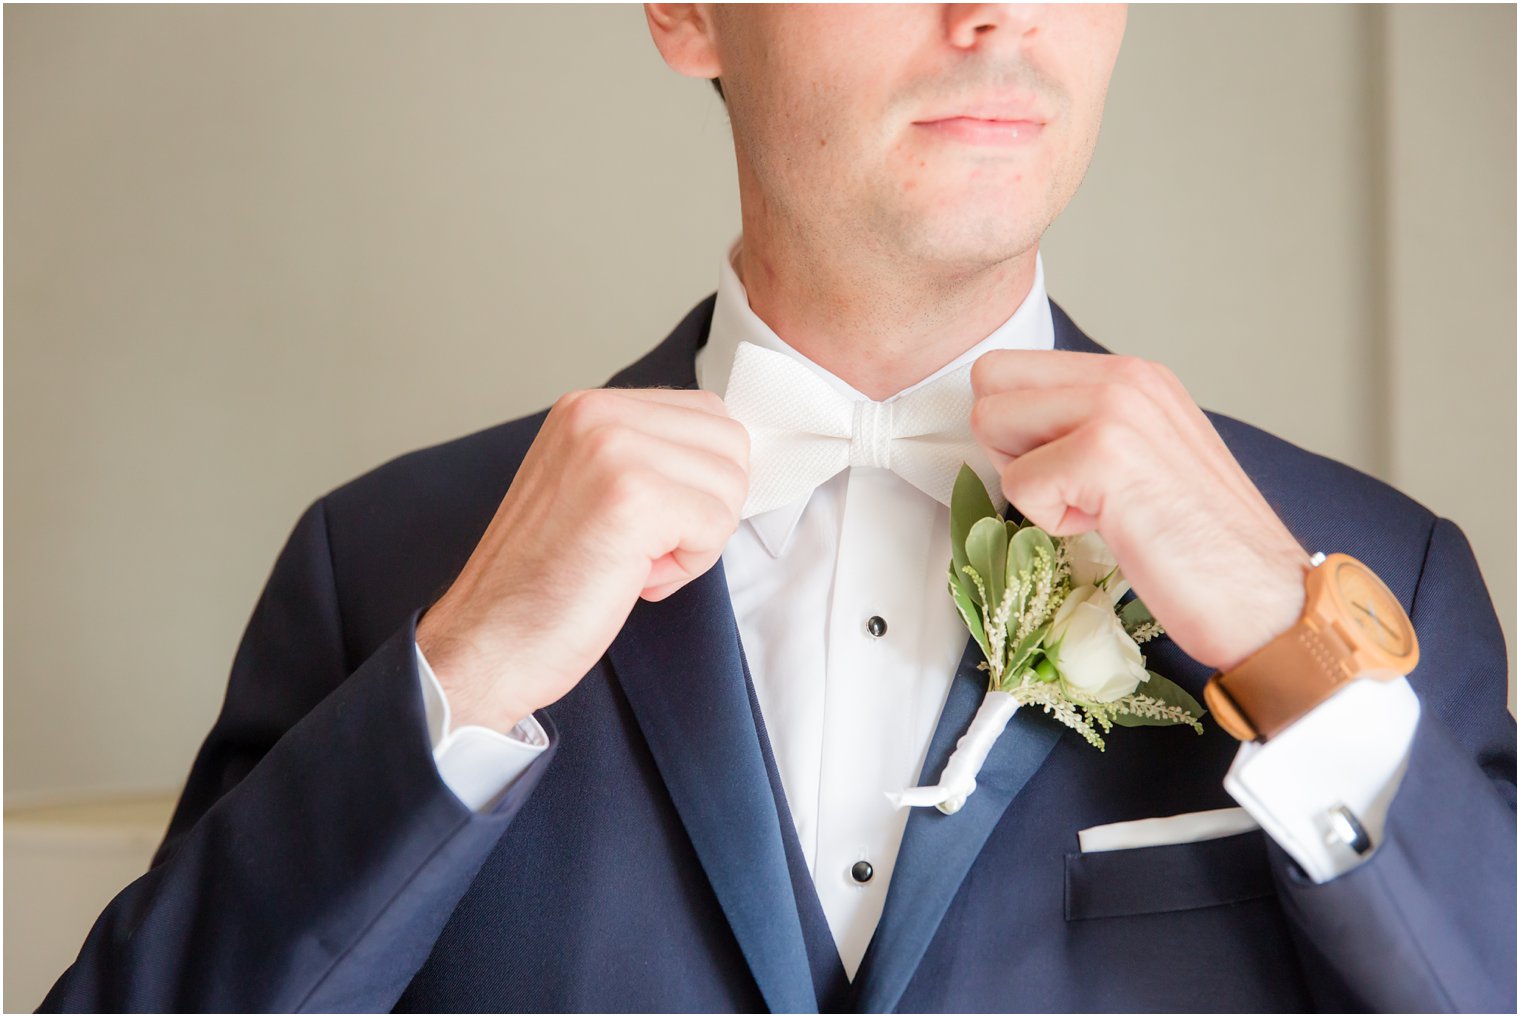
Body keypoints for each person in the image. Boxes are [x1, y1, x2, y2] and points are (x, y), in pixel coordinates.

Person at [42, 5, 1515, 1012]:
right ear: (688, 8)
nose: (995, 9)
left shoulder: (1376, 577)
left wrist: (1293, 653)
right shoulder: (386, 573)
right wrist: (464, 677)